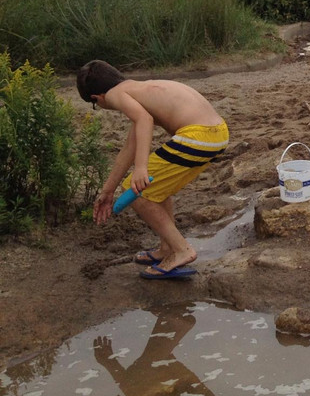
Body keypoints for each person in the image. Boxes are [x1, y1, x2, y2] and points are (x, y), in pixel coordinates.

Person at [77, 60, 229, 279]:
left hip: (199, 135)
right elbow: (130, 147)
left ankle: (181, 250)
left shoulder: (114, 95)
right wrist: (107, 191)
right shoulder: (138, 90)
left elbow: (144, 120)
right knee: (156, 189)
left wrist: (141, 168)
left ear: (96, 98)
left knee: (136, 189)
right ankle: (167, 248)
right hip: (217, 133)